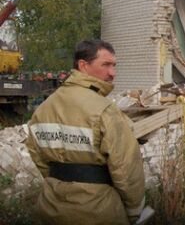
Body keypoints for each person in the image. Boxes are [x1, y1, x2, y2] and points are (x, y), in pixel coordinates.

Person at [26, 40, 145, 224]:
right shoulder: (104, 110)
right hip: (97, 211)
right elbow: (126, 168)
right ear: (83, 65)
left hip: (51, 207)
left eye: (114, 65)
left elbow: (38, 157)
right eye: (105, 65)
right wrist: (134, 209)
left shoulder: (43, 109)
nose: (112, 73)